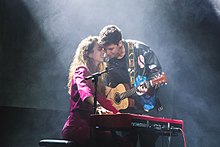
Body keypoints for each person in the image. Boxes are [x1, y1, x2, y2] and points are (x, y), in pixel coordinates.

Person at [98, 25, 163, 147]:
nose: (107, 52)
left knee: (147, 144)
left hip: (146, 109)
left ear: (120, 43)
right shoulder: (107, 60)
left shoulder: (141, 50)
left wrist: (148, 86)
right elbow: (106, 85)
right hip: (124, 111)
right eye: (105, 49)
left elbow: (157, 74)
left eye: (110, 49)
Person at [61, 36, 119, 147]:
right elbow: (84, 89)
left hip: (93, 127)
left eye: (104, 49)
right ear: (88, 53)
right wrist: (98, 107)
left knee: (122, 142)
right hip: (79, 127)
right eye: (99, 49)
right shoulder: (80, 70)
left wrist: (120, 115)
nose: (104, 51)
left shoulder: (98, 78)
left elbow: (103, 101)